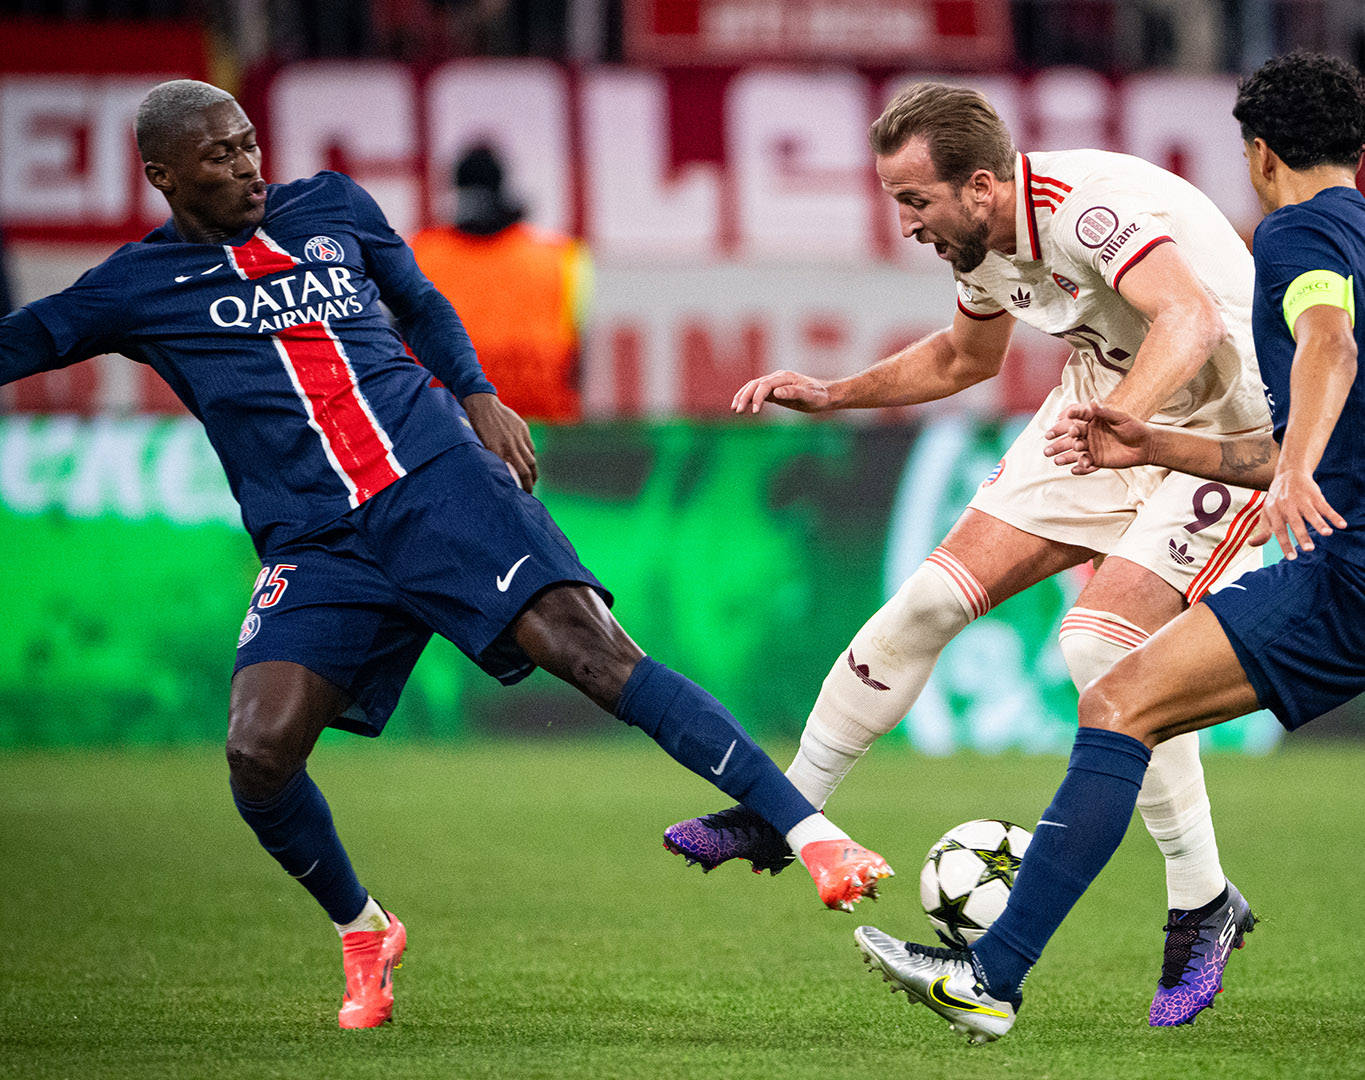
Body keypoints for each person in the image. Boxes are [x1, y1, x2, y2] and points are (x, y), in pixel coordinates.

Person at [0, 79, 890, 1031]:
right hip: (318, 539)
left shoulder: (333, 206)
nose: (248, 164)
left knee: (592, 653)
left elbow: (419, 301)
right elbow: (28, 338)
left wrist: (475, 393)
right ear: (163, 175)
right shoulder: (135, 287)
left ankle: (813, 835)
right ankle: (364, 927)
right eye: (219, 156)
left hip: (439, 480)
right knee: (257, 754)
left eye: (251, 142)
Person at [852, 52, 1365, 1045]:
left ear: (1258, 154)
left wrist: (1296, 473)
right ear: (1357, 146)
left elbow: (1326, 347)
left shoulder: (1294, 234)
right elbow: (1302, 429)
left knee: (1118, 700)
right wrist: (1161, 443)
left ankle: (991, 975)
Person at [664, 81, 1272, 1026]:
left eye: (914, 200)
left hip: (1225, 435)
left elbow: (1187, 319)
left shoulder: (1083, 213)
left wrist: (1128, 425)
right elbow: (962, 361)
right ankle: (783, 815)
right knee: (925, 604)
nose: (905, 223)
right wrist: (831, 394)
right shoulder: (984, 243)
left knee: (1101, 649)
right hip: (1107, 409)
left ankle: (1202, 903)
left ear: (981, 186)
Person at [410, 145, 589, 422]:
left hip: (446, 433)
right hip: (537, 438)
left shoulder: (417, 255)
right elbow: (577, 366)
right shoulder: (557, 257)